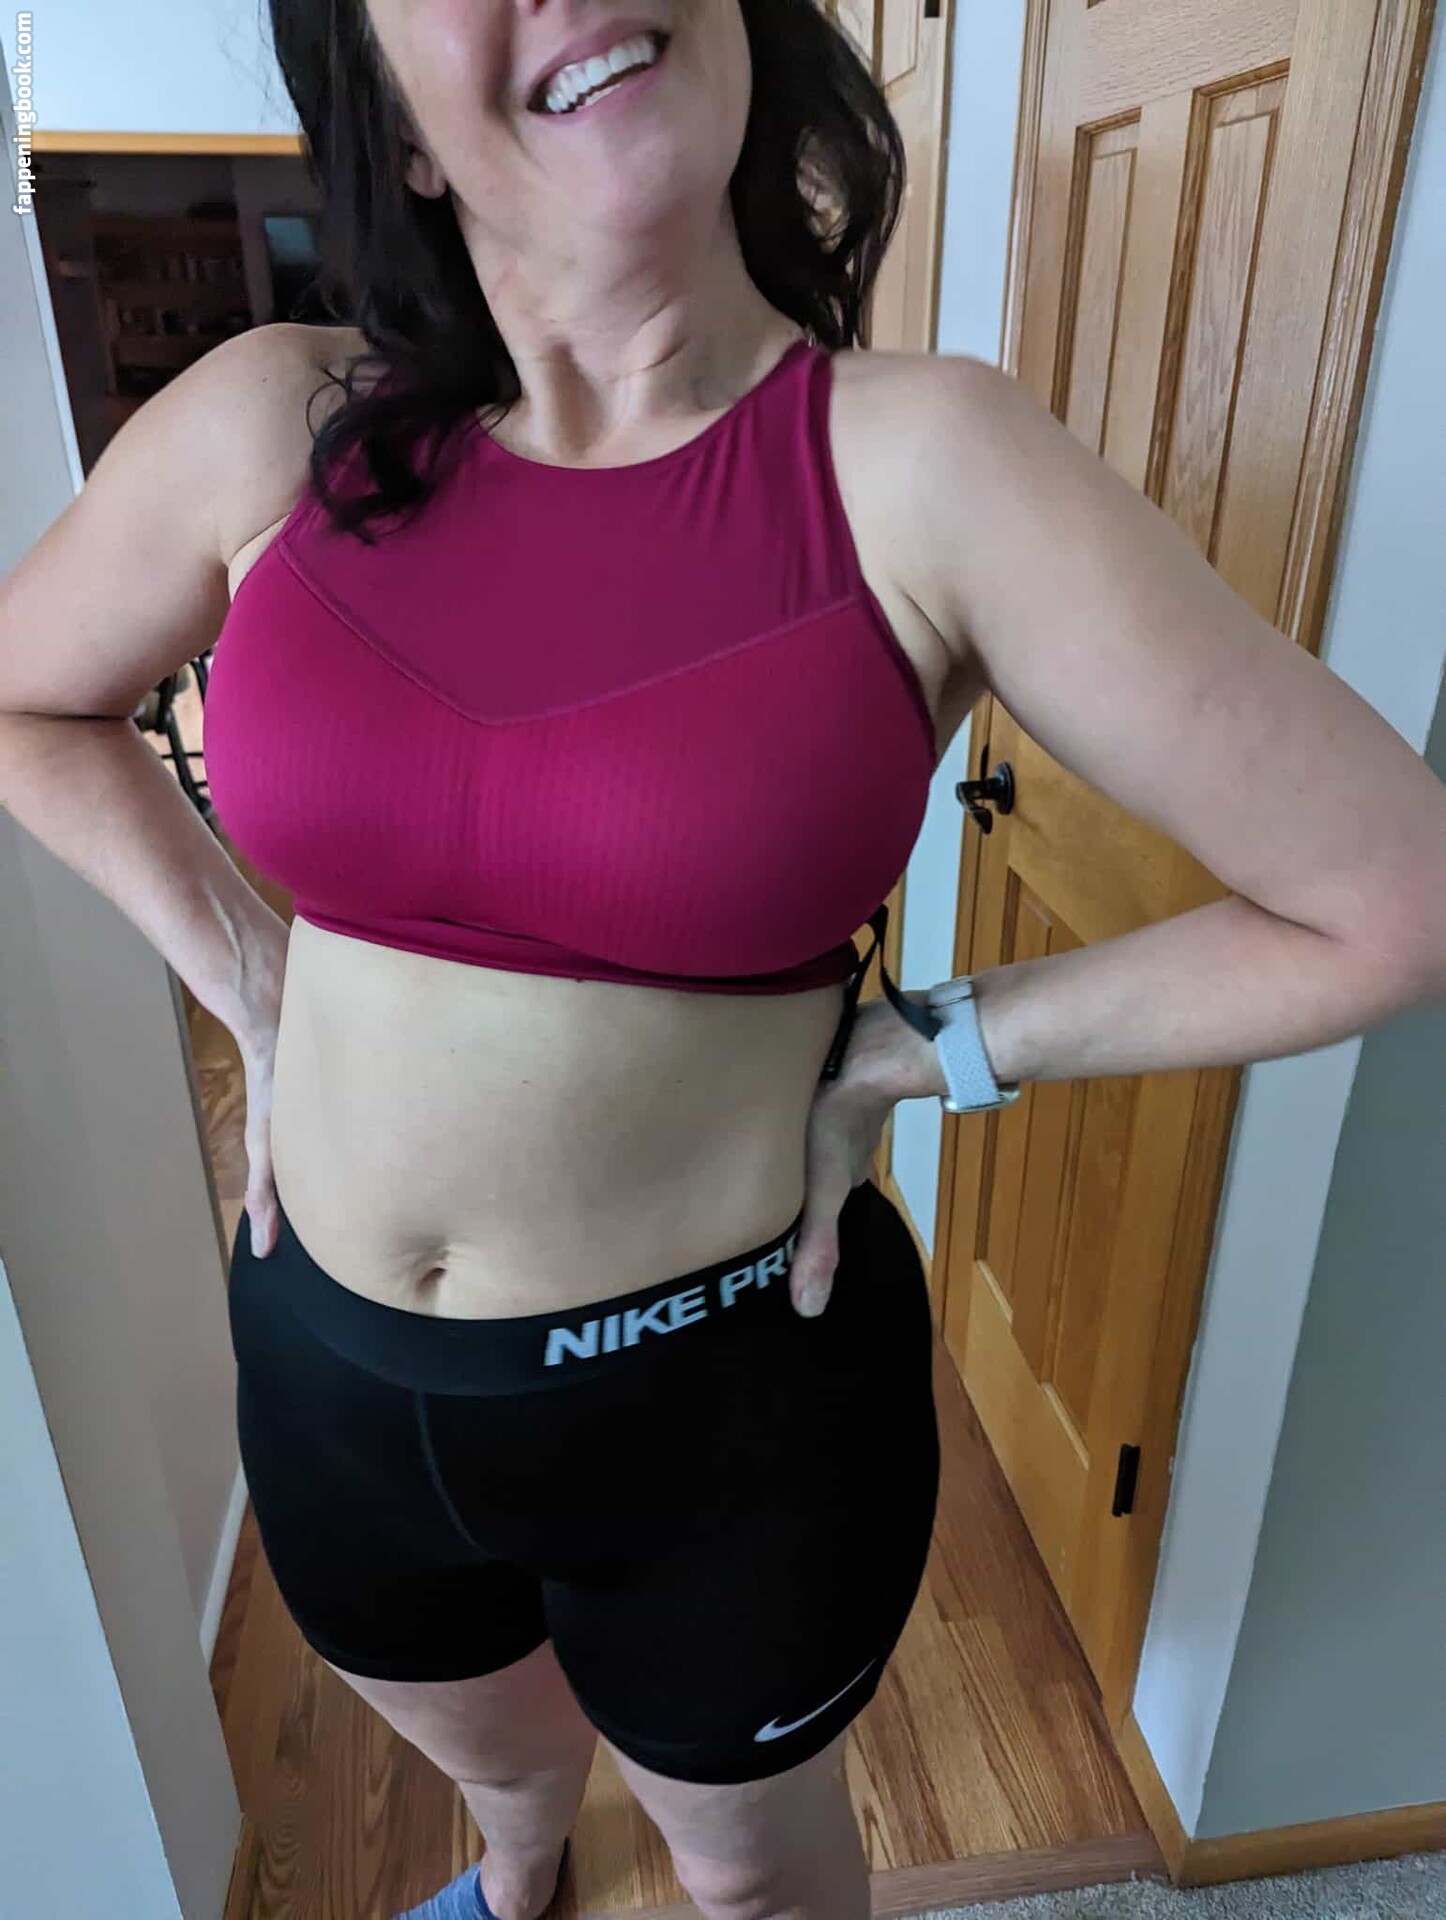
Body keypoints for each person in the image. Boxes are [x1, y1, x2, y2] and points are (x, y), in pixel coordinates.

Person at [3, 3, 1444, 1917]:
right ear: (397, 125)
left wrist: (937, 1043)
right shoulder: (275, 424)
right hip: (327, 1364)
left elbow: (1389, 894)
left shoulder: (922, 465)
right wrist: (249, 984)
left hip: (718, 1406)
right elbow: (31, 702)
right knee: (492, 1764)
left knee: (746, 1879)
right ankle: (521, 1872)